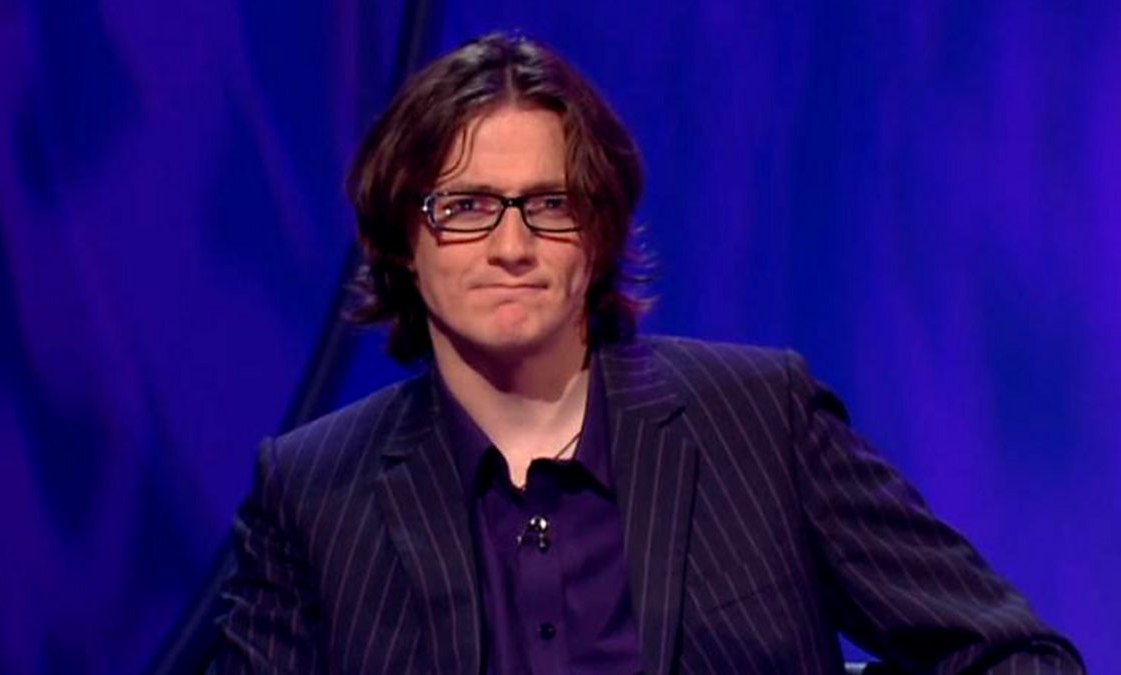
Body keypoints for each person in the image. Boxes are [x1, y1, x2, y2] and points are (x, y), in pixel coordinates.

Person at [211, 33, 1083, 674]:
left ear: (598, 233)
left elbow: (1015, 654)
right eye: (467, 208)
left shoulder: (759, 421)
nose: (511, 247)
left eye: (550, 205)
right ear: (404, 239)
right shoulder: (310, 494)